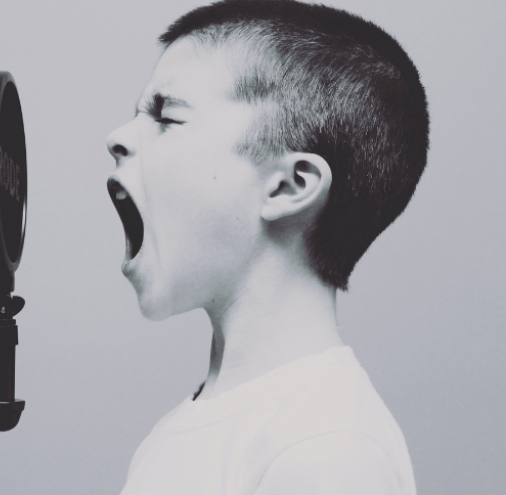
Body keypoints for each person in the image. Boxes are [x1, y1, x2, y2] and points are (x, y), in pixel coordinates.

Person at [105, 1, 428, 494]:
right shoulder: (185, 430)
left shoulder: (326, 450)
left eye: (166, 116)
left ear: (289, 186)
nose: (118, 137)